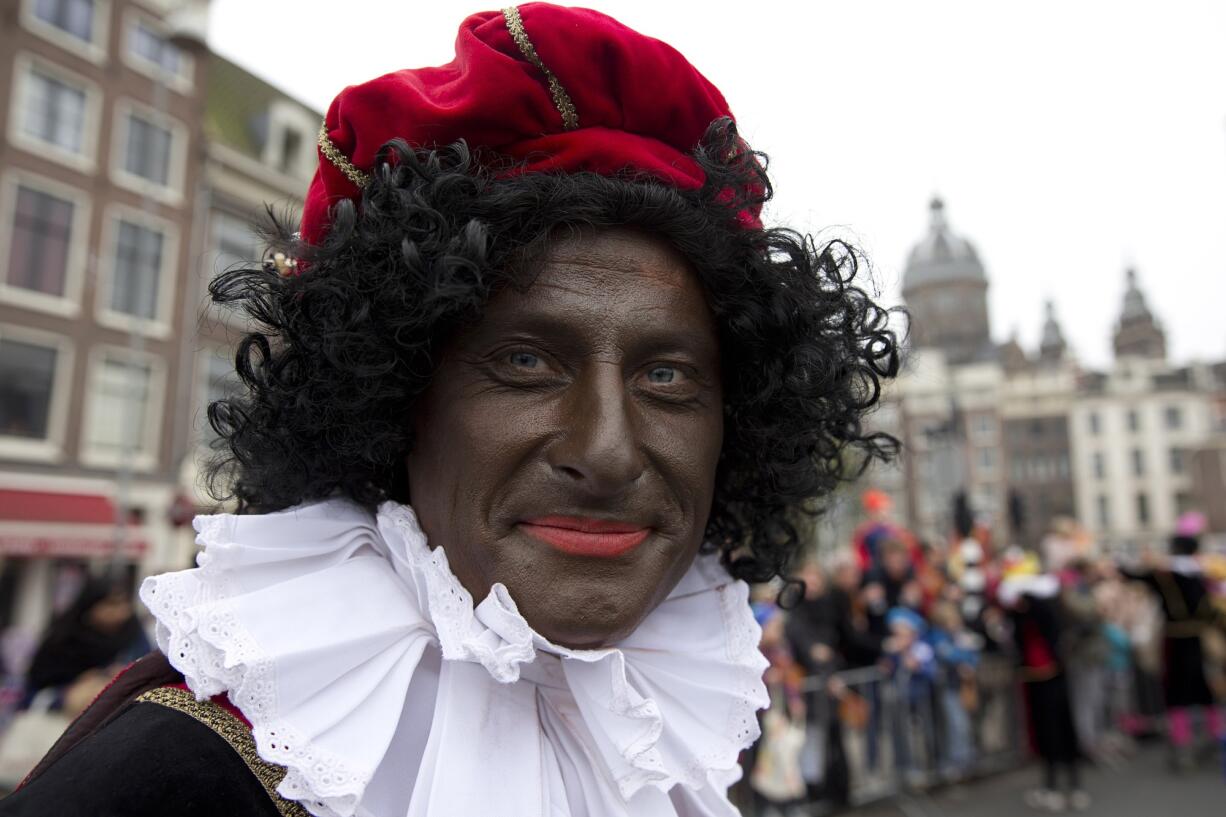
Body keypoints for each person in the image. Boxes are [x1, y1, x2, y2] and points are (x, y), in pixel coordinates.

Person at [0, 5, 899, 817]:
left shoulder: (673, 745)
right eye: (524, 361)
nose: (610, 450)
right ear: (396, 399)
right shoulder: (178, 781)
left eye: (668, 377)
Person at [20, 575, 149, 715]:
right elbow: (30, 694)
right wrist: (73, 689)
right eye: (111, 604)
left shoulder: (133, 635)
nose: (120, 611)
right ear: (90, 606)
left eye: (125, 603)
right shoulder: (63, 640)